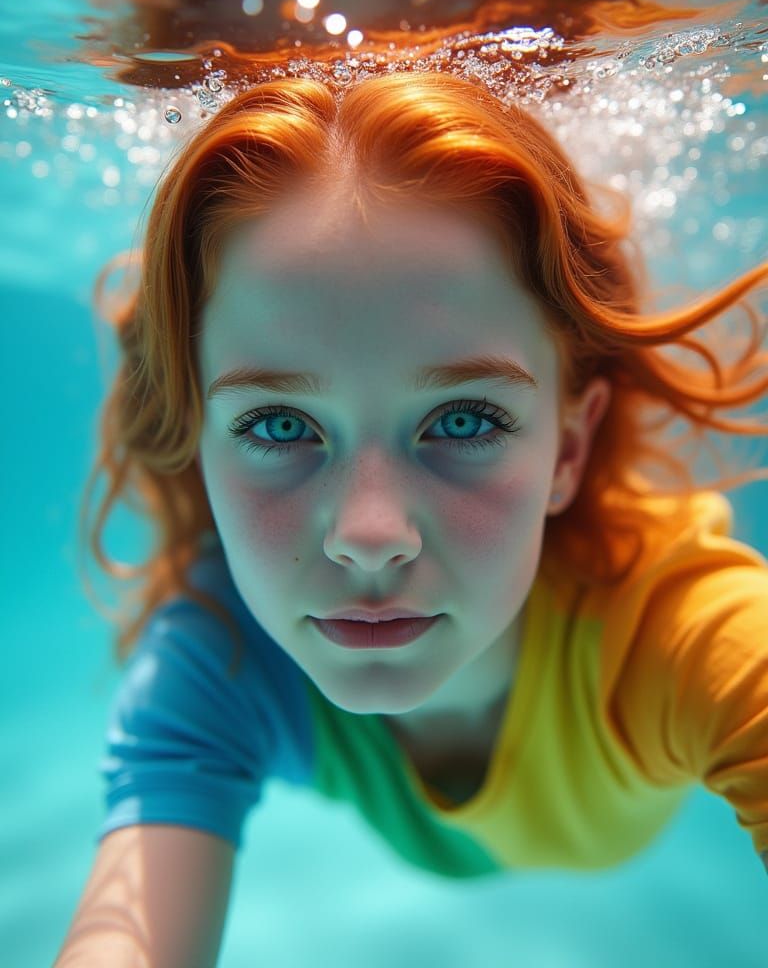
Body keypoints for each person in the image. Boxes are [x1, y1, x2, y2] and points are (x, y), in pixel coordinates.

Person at [55, 70, 768, 966]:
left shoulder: (679, 631)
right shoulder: (224, 658)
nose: (369, 531)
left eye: (464, 420)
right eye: (278, 425)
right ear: (197, 439)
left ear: (569, 451)